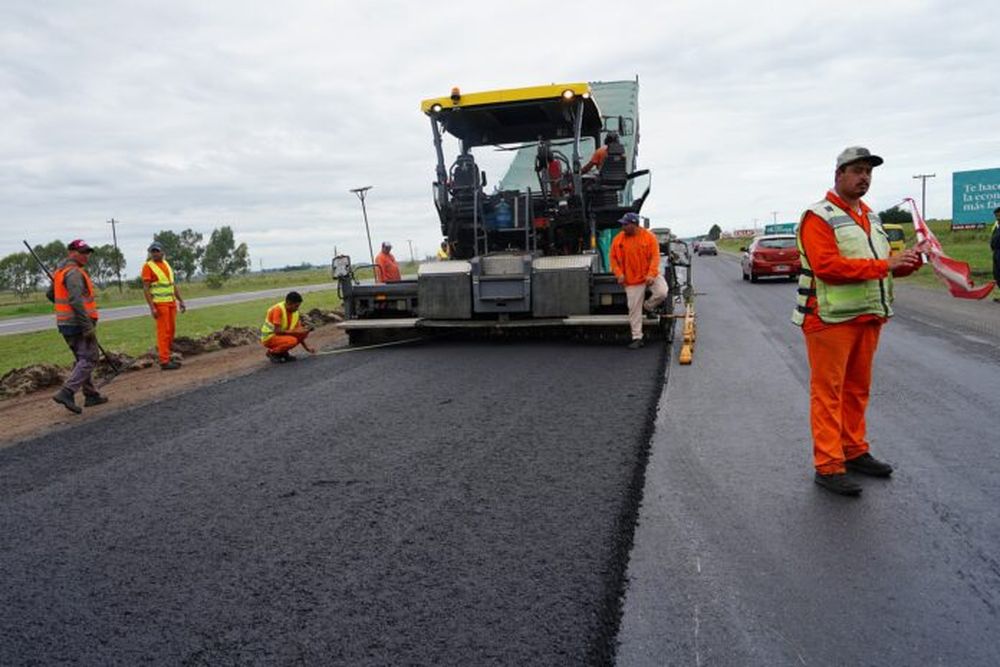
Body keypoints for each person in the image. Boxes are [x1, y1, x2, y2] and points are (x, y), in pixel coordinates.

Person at [792, 146, 923, 496]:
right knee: (828, 394)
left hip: (867, 317)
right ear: (839, 175)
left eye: (868, 172)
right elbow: (828, 267)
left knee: (856, 390)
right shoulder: (818, 216)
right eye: (857, 170)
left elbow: (881, 265)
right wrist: (886, 266)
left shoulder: (871, 216)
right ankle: (829, 465)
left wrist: (909, 263)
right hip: (828, 318)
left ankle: (853, 450)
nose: (864, 177)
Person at [49, 239, 108, 414]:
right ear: (71, 253)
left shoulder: (60, 272)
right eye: (82, 252)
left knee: (82, 358)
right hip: (78, 324)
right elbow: (75, 300)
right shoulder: (74, 273)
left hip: (65, 323)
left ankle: (91, 395)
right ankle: (67, 392)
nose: (86, 256)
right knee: (90, 358)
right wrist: (86, 325)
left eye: (87, 252)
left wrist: (64, 306)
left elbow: (50, 294)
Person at [610, 212, 669, 349]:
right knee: (633, 309)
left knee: (662, 292)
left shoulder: (649, 237)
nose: (622, 227)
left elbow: (655, 258)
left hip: (649, 274)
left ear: (634, 224)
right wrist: (619, 274)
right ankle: (637, 337)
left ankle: (648, 307)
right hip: (631, 280)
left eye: (625, 224)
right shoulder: (618, 240)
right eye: (622, 224)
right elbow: (613, 259)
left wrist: (651, 274)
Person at [142, 241, 186, 370]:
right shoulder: (148, 266)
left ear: (163, 252)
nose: (154, 253)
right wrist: (152, 307)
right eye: (152, 251)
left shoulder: (166, 264)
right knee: (163, 332)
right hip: (160, 304)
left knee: (171, 331)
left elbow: (172, 285)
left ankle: (167, 355)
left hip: (171, 302)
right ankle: (164, 361)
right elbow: (146, 288)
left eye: (157, 251)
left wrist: (180, 300)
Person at [260, 291, 316, 363]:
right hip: (270, 337)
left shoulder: (295, 313)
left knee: (303, 333)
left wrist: (307, 348)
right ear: (289, 303)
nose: (297, 308)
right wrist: (295, 331)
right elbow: (277, 331)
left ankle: (283, 352)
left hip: (281, 336)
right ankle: (272, 353)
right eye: (296, 306)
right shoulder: (278, 309)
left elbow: (299, 333)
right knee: (292, 341)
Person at [990, 206, 1000, 303]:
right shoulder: (996, 225)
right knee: (997, 274)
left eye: (998, 215)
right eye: (996, 215)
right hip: (996, 252)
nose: (997, 217)